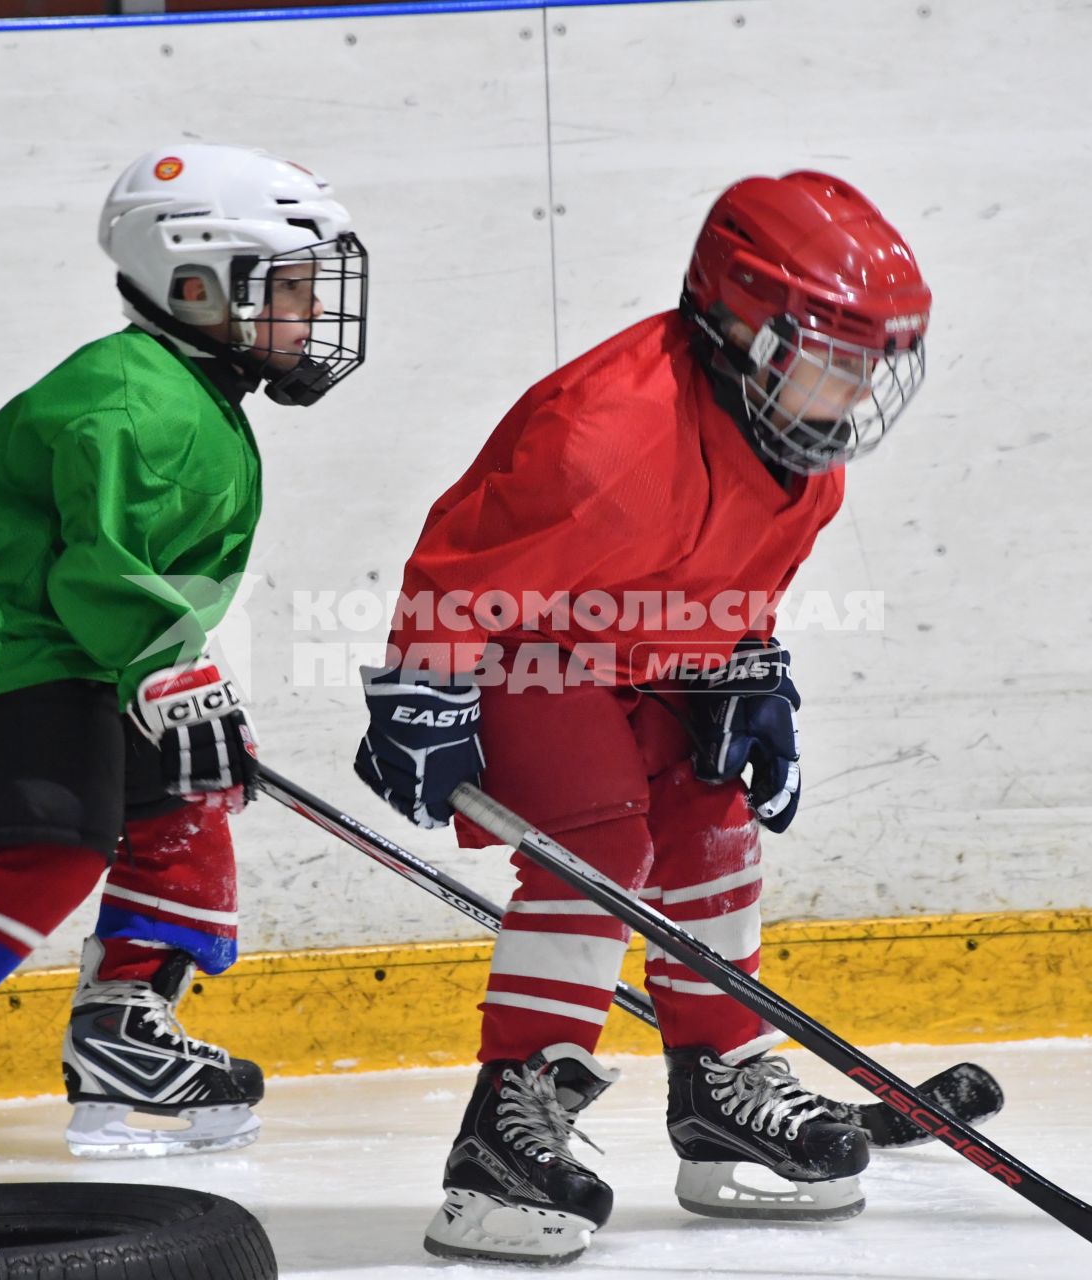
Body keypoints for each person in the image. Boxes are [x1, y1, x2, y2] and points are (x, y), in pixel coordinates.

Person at [0, 143, 369, 1194]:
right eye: (288, 289)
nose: (307, 314)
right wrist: (165, 664)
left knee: (190, 795)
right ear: (195, 285)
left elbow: (129, 578)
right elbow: (102, 569)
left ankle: (123, 1031)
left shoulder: (190, 394)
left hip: (76, 645)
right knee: (45, 861)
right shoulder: (133, 400)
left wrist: (183, 673)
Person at [354, 171, 929, 1263]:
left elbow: (733, 594)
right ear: (747, 325)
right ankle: (506, 1126)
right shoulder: (609, 439)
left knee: (711, 814)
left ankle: (718, 1083)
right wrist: (420, 693)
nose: (857, 387)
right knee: (599, 841)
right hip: (524, 651)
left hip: (645, 654)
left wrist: (747, 670)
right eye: (835, 353)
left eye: (872, 361)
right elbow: (458, 571)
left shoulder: (806, 459)